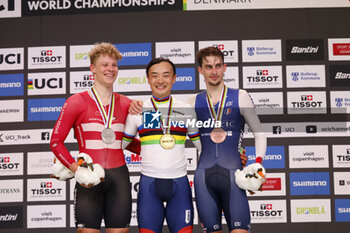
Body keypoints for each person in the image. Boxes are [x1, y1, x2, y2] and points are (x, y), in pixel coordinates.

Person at [50, 42, 140, 233]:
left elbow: (128, 143)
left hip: (119, 178)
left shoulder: (126, 103)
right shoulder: (76, 101)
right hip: (88, 179)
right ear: (93, 68)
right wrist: (76, 169)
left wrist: (158, 148)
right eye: (105, 65)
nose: (110, 69)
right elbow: (55, 141)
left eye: (114, 65)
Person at [122, 58, 202, 233]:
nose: (160, 81)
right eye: (155, 76)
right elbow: (120, 145)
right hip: (149, 185)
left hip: (179, 184)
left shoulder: (186, 109)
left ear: (174, 79)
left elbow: (202, 147)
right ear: (148, 79)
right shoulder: (137, 110)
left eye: (166, 76)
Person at [192, 46, 267, 233]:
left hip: (234, 177)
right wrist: (137, 106)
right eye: (208, 67)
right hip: (203, 178)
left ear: (224, 67)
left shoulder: (240, 96)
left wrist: (257, 164)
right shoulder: (192, 101)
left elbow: (259, 133)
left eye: (218, 66)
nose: (214, 71)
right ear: (200, 70)